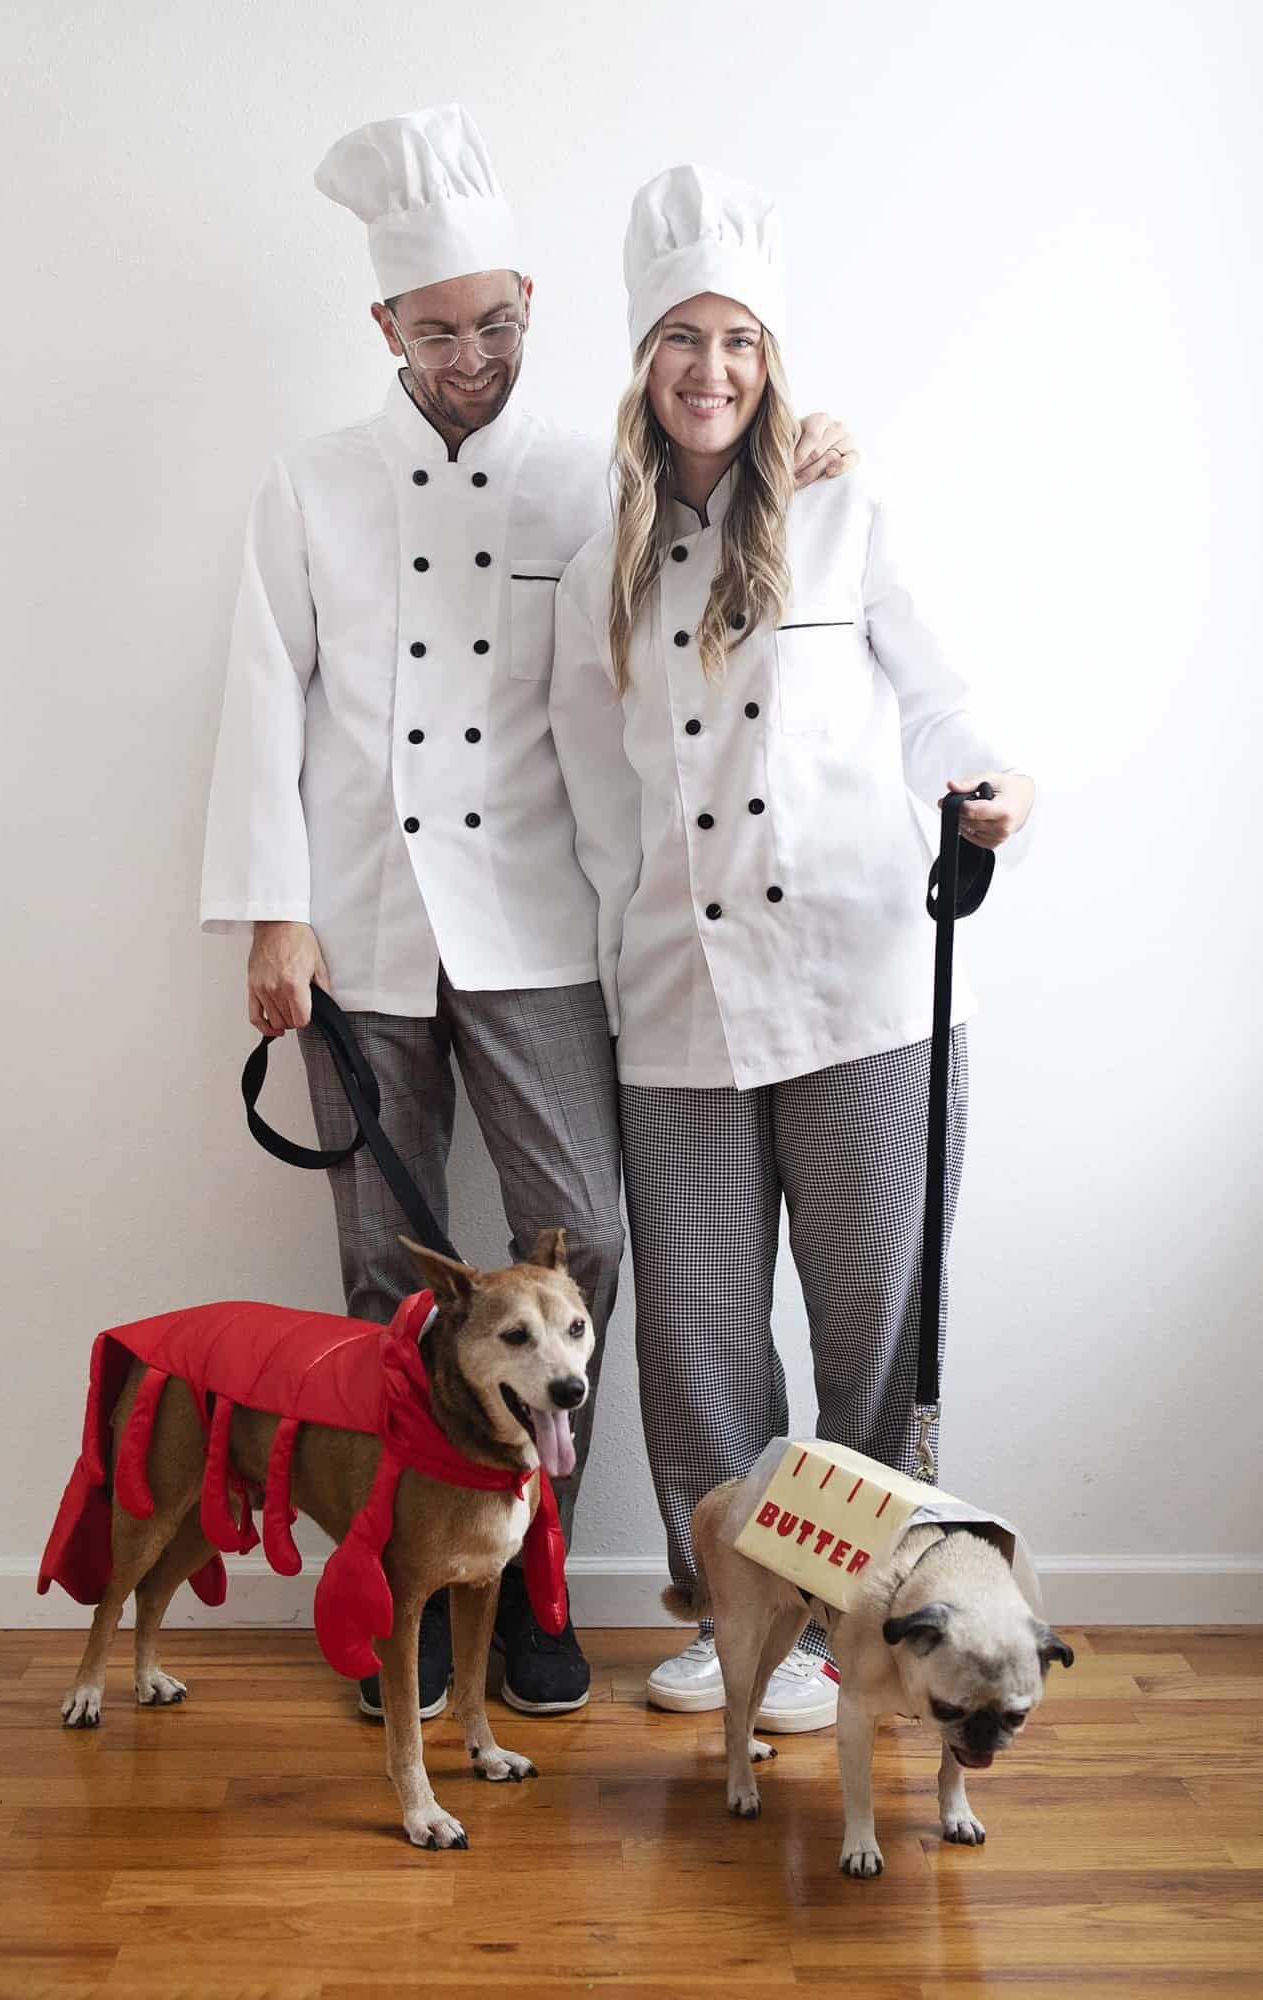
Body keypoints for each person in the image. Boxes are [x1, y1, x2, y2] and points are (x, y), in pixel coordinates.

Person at [200, 112, 857, 1724]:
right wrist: (270, 917)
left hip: (546, 924)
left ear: (530, 309)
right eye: (440, 330)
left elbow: (695, 608)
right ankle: (403, 1601)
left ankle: (537, 1574)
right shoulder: (312, 484)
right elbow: (259, 706)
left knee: (583, 1247)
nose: (476, 355)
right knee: (379, 1272)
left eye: (501, 323)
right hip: (356, 926)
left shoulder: (590, 479)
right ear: (385, 332)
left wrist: (810, 446)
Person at [549, 165, 1034, 1735]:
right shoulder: (596, 550)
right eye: (682, 339)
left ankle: (839, 1625)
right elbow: (583, 788)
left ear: (772, 358)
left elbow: (942, 697)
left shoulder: (845, 502)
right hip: (676, 994)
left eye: (739, 340)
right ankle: (726, 1612)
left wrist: (994, 784)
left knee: (866, 1314)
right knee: (697, 1331)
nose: (711, 371)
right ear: (641, 362)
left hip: (861, 978)